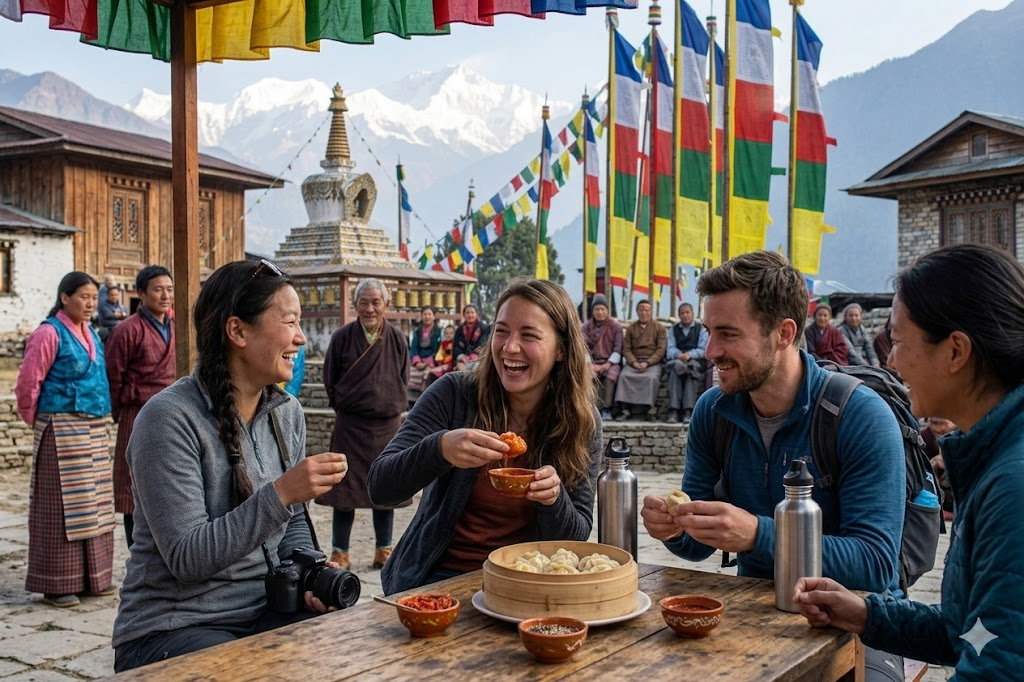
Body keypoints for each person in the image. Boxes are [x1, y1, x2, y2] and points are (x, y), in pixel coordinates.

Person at [640, 250, 907, 682]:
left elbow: (876, 565)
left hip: (857, 624)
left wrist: (758, 534)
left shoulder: (859, 415)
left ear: (783, 333)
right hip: (754, 609)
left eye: (727, 334)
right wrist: (675, 528)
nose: (710, 352)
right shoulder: (714, 411)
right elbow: (697, 548)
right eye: (709, 332)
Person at [793, 244, 1024, 680]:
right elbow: (973, 631)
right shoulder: (994, 456)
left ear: (956, 351)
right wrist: (867, 615)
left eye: (898, 341)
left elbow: (998, 666)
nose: (891, 361)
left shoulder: (1013, 484)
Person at [111, 259, 349, 672]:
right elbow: (187, 558)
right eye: (290, 322)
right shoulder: (168, 419)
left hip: (265, 608)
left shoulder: (285, 411)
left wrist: (308, 568)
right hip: (177, 624)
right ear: (237, 330)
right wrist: (281, 493)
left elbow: (290, 526)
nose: (301, 338)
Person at [368, 278, 601, 595]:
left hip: (526, 585)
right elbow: (380, 488)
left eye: (529, 335)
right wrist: (440, 449)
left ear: (561, 349)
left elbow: (575, 539)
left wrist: (554, 499)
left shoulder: (581, 421)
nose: (509, 347)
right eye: (501, 331)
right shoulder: (454, 395)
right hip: (438, 580)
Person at [15, 272, 115, 609]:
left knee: (95, 506)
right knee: (61, 507)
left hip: (92, 427)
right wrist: (38, 421)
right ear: (64, 298)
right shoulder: (48, 333)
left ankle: (93, 578)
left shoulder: (92, 335)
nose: (90, 303)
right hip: (60, 428)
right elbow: (29, 381)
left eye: (93, 297)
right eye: (83, 297)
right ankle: (57, 584)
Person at [318, 278, 410, 571]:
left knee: (386, 489)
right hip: (351, 426)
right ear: (354, 305)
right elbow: (330, 378)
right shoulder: (343, 337)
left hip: (387, 427)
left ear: (386, 305)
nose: (370, 308)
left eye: (376, 302)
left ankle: (384, 549)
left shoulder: (396, 338)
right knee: (344, 492)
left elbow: (403, 377)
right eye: (364, 302)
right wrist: (347, 404)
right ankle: (339, 551)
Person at [104, 265, 176, 548]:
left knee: (171, 482)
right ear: (141, 293)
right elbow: (113, 376)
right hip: (138, 415)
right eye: (158, 289)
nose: (165, 295)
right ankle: (138, 550)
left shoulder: (175, 325)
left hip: (173, 415)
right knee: (133, 487)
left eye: (169, 289)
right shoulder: (127, 330)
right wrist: (115, 412)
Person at [614, 299, 666, 421]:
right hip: (634, 362)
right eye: (641, 310)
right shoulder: (631, 328)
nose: (644, 313)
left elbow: (660, 349)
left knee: (651, 378)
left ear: (651, 312)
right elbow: (626, 349)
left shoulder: (659, 328)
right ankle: (625, 409)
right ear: (637, 312)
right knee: (624, 376)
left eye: (647, 310)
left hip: (652, 363)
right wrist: (634, 362)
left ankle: (649, 410)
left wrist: (648, 362)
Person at [581, 293, 623, 421]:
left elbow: (618, 348)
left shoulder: (615, 327)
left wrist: (607, 365)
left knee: (611, 375)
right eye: (597, 309)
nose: (600, 312)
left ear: (607, 310)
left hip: (610, 362)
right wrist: (590, 365)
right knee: (586, 375)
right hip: (591, 363)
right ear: (592, 311)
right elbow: (582, 348)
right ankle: (590, 409)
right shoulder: (586, 327)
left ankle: (606, 409)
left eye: (602, 309)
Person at [665, 302, 708, 424]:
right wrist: (678, 355)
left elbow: (703, 349)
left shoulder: (701, 329)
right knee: (676, 370)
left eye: (687, 312)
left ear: (693, 314)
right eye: (682, 313)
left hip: (694, 362)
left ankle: (688, 411)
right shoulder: (674, 329)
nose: (685, 315)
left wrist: (689, 355)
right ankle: (674, 410)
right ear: (679, 315)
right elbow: (670, 348)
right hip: (677, 360)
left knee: (690, 371)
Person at [921, 417, 956, 520]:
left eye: (942, 423)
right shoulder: (925, 436)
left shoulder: (961, 434)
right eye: (934, 423)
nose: (938, 428)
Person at [407, 306, 441, 403]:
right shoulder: (417, 331)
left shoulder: (439, 331)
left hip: (433, 361)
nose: (427, 317)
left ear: (434, 316)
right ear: (421, 316)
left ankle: (426, 402)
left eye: (429, 314)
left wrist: (428, 362)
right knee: (408, 373)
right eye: (425, 314)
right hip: (419, 361)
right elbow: (413, 348)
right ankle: (412, 402)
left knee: (427, 375)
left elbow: (440, 350)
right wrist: (417, 362)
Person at [838, 303, 880, 367]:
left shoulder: (862, 330)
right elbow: (851, 353)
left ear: (860, 317)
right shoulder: (841, 330)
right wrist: (868, 367)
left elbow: (870, 350)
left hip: (862, 363)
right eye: (850, 315)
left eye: (856, 315)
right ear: (845, 317)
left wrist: (875, 365)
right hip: (847, 364)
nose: (854, 318)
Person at [452, 304, 489, 371]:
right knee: (460, 369)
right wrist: (461, 356)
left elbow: (483, 344)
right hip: (463, 358)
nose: (470, 315)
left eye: (472, 313)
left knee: (476, 368)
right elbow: (456, 346)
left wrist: (474, 355)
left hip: (478, 358)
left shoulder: (484, 328)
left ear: (476, 314)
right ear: (464, 315)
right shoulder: (459, 329)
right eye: (467, 313)